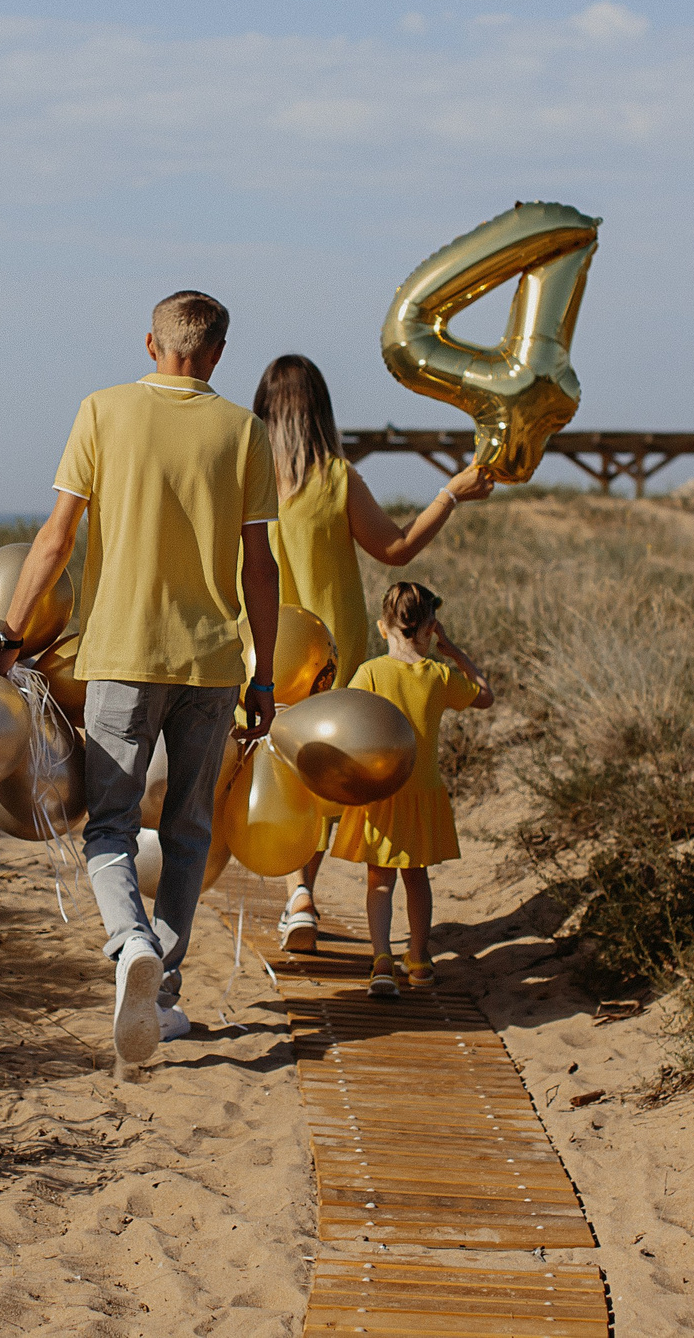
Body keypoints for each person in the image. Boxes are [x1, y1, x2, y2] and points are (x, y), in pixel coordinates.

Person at [0, 291, 281, 1072]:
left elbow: (55, 539)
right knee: (188, 829)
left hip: (120, 654)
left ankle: (130, 945)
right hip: (214, 663)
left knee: (111, 824)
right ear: (217, 353)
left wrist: (10, 635)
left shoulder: (103, 411)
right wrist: (267, 673)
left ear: (151, 342)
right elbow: (261, 566)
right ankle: (165, 993)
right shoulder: (243, 431)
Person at [250, 354, 492, 953]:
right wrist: (450, 494)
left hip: (262, 647)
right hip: (334, 654)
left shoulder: (243, 479)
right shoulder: (336, 479)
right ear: (322, 412)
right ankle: (305, 895)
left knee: (277, 767)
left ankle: (297, 900)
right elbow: (397, 548)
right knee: (325, 767)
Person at [331, 581, 490, 998]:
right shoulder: (439, 675)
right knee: (416, 878)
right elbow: (486, 696)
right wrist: (452, 650)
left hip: (381, 790)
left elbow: (347, 722)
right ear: (429, 628)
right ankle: (419, 959)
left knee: (379, 880)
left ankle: (382, 959)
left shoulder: (369, 672)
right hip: (423, 792)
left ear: (382, 627)